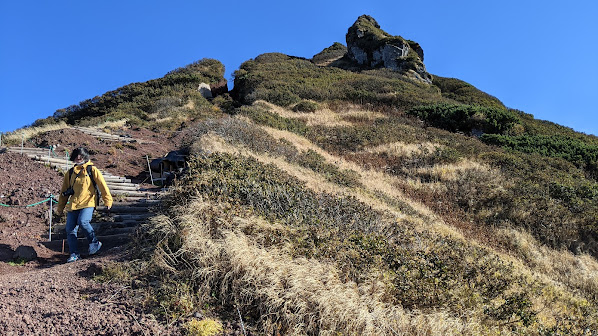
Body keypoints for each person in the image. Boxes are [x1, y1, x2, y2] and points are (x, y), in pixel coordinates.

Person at [56, 147, 113, 262]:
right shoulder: (70, 173)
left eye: (81, 155)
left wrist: (108, 200)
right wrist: (60, 208)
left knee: (83, 221)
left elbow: (102, 185)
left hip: (88, 202)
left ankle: (94, 242)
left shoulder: (92, 170)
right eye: (77, 155)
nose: (78, 158)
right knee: (70, 229)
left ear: (85, 156)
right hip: (73, 204)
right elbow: (64, 191)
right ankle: (74, 254)